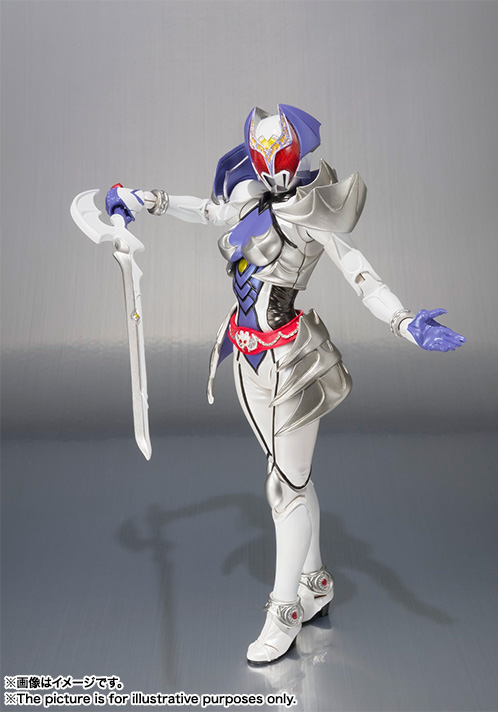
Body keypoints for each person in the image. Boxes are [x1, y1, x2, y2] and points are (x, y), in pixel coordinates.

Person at [105, 104, 465, 664]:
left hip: (292, 358)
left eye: (282, 160)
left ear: (298, 154)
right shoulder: (247, 199)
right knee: (289, 476)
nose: (273, 172)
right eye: (265, 161)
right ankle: (315, 582)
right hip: (244, 353)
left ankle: (284, 611)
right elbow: (207, 210)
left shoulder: (311, 214)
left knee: (282, 488)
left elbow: (360, 274)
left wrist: (404, 321)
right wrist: (144, 200)